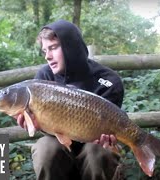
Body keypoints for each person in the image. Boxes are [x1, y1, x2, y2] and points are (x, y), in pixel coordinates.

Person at [15, 19, 124, 180]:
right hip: (60, 144)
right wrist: (37, 124)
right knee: (45, 148)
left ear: (70, 47)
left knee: (98, 152)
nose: (47, 56)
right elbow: (49, 128)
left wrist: (111, 136)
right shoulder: (44, 77)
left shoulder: (108, 80)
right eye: (45, 50)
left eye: (53, 48)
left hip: (95, 143)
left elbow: (112, 128)